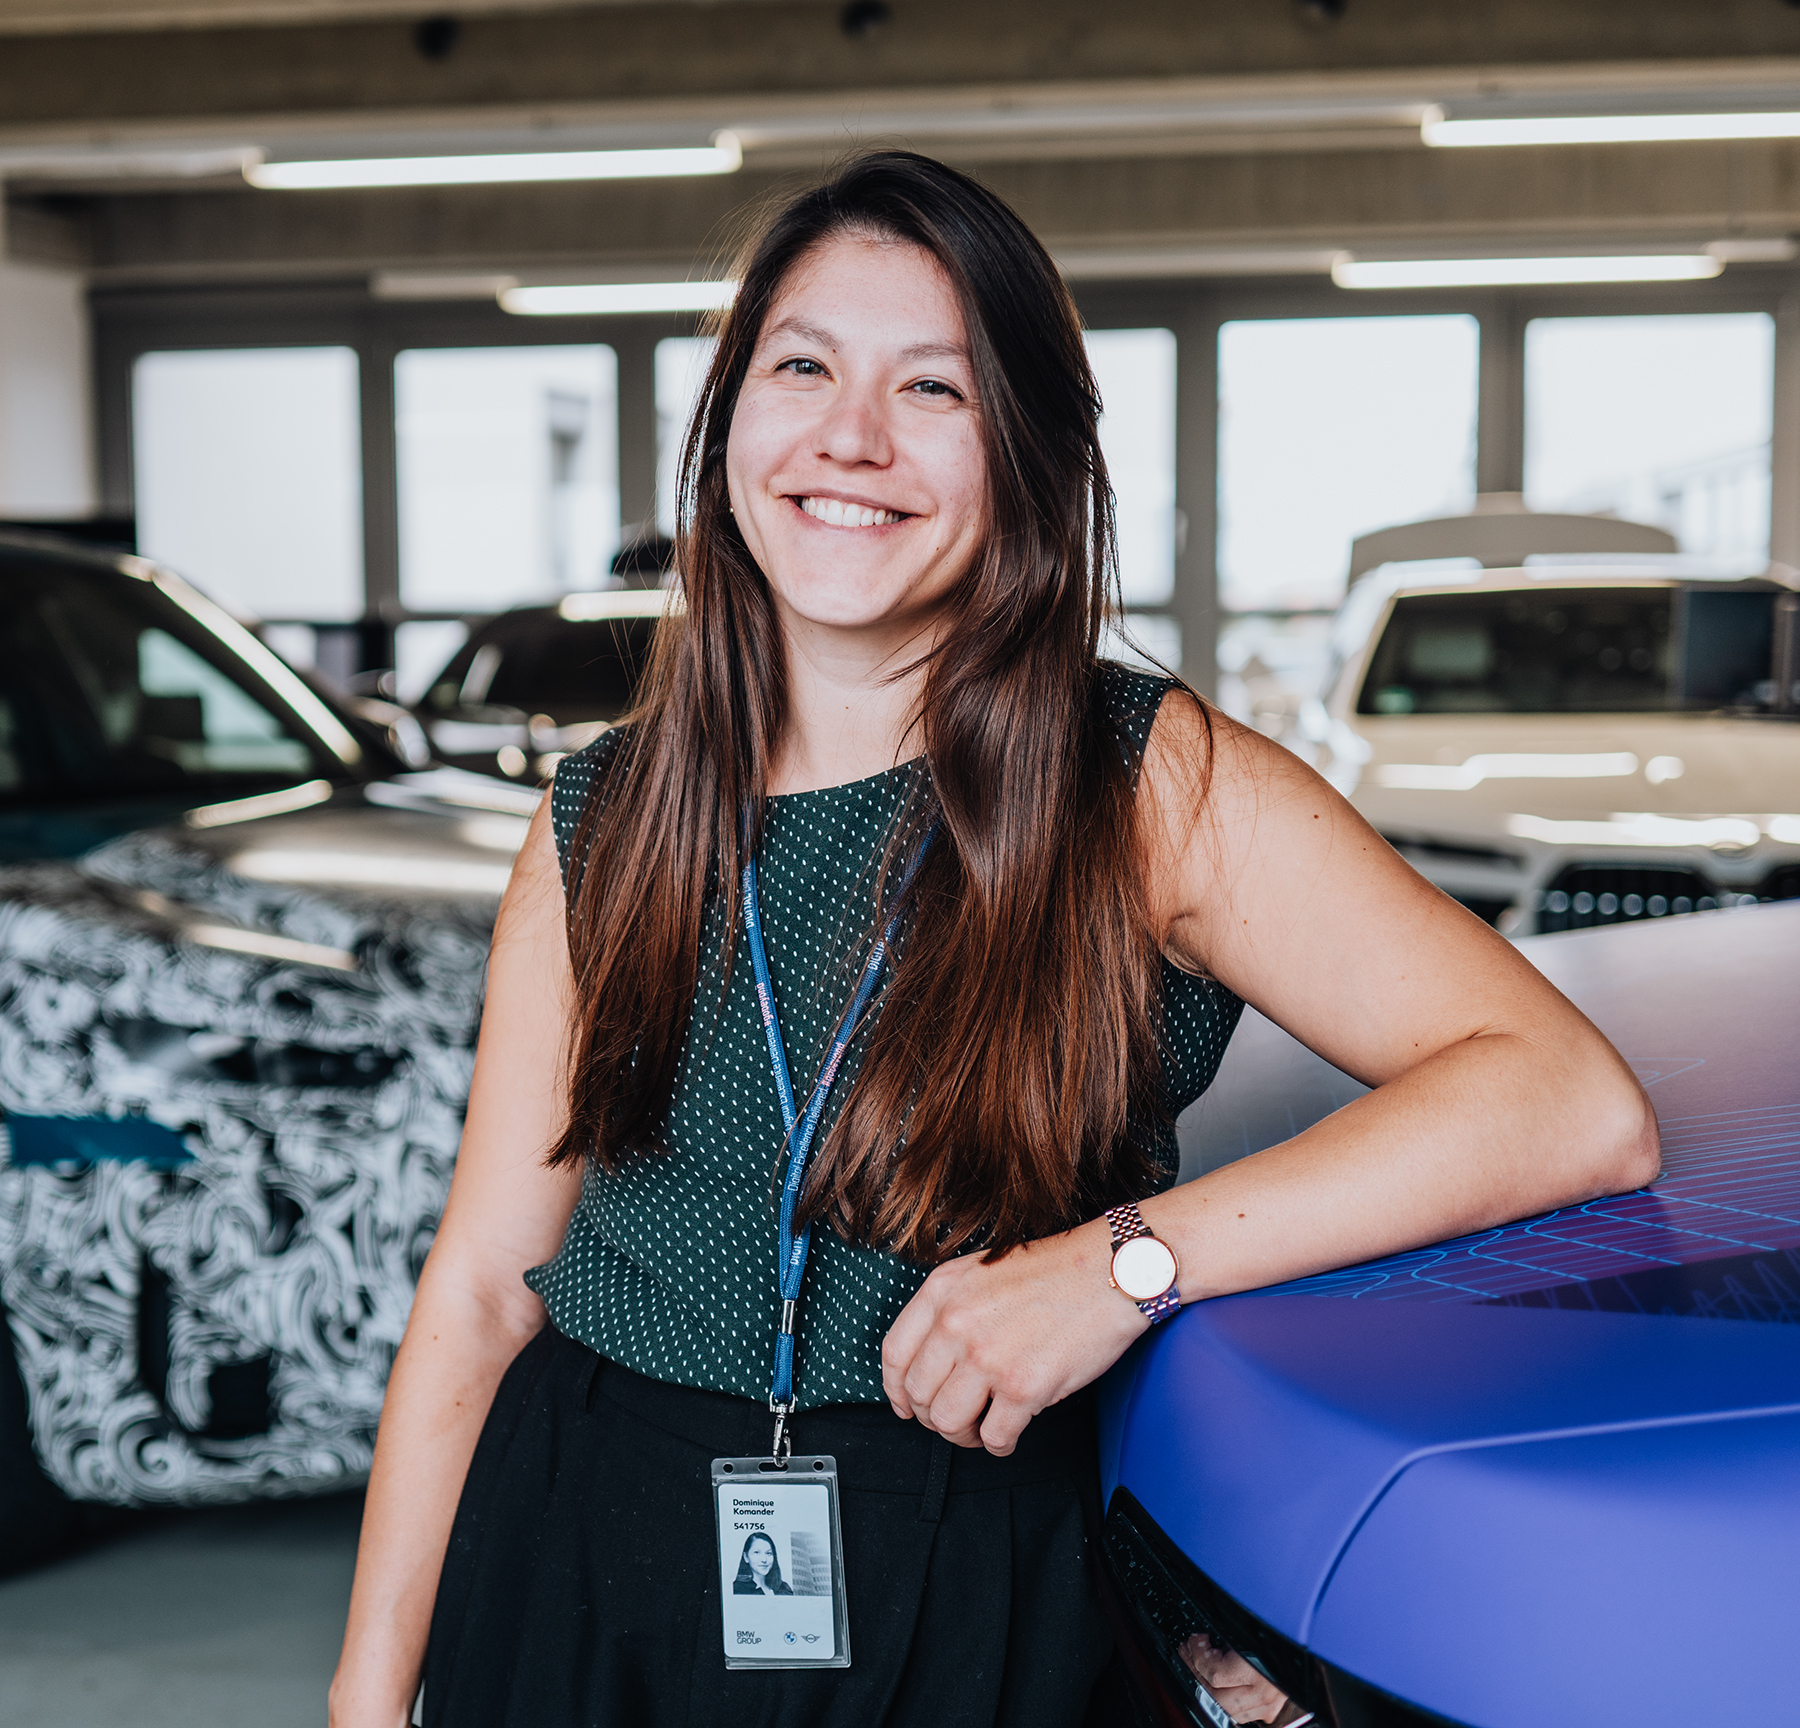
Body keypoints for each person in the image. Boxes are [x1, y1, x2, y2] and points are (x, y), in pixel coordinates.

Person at [329, 150, 1658, 1728]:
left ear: (1021, 451)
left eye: (934, 391)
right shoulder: (607, 811)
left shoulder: (1139, 781)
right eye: (802, 366)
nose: (850, 438)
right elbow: (484, 1288)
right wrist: (368, 1691)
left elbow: (1566, 1098)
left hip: (977, 1577)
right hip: (581, 1570)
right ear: (728, 423)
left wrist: (1123, 1269)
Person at [733, 1532, 794, 1598]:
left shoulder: (784, 1588)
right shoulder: (738, 1589)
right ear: (746, 1557)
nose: (764, 1560)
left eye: (768, 1553)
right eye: (757, 1552)